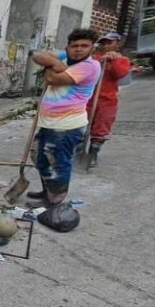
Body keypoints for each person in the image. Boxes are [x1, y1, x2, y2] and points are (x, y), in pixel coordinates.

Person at [26, 28, 102, 207]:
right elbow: (37, 55)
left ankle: (54, 202)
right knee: (39, 156)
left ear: (92, 48)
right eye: (74, 45)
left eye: (84, 46)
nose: (78, 49)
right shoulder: (65, 56)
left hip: (67, 125)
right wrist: (57, 64)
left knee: (58, 163)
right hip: (50, 122)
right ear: (68, 47)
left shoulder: (90, 66)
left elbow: (51, 79)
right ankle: (48, 190)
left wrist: (50, 65)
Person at [85, 31, 131, 168]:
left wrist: (113, 60)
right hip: (88, 99)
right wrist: (101, 59)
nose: (105, 45)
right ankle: (76, 151)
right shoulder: (93, 57)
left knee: (101, 128)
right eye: (104, 42)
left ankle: (93, 153)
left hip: (107, 101)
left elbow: (120, 74)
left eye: (109, 42)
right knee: (80, 126)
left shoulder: (122, 60)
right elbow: (86, 70)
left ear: (118, 44)